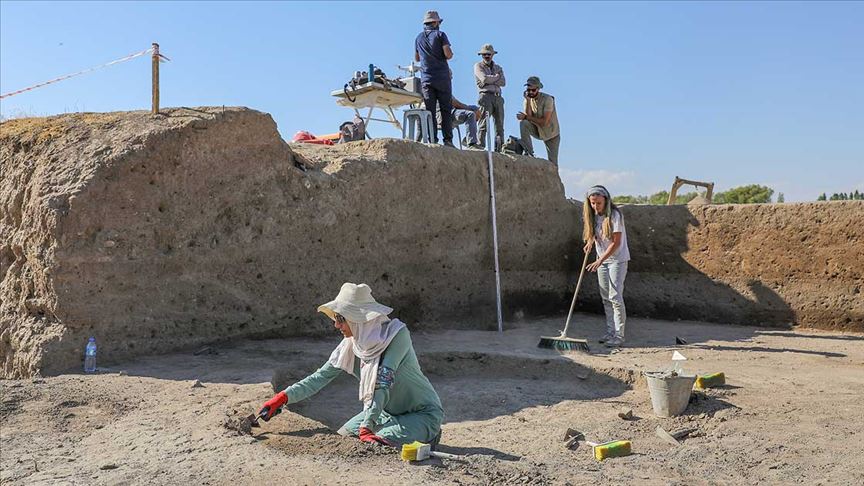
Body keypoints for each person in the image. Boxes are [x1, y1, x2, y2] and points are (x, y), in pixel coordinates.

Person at [258, 283, 444, 447]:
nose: (336, 325)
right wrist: (282, 398)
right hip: (385, 413)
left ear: (358, 318)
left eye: (340, 318)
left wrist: (367, 426)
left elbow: (382, 381)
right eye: (335, 318)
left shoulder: (397, 335)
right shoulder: (351, 345)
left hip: (422, 414)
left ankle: (429, 435)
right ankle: (401, 432)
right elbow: (320, 377)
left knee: (377, 443)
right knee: (344, 439)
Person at [582, 186, 631, 347]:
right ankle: (610, 332)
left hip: (617, 260)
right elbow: (596, 233)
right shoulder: (593, 216)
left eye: (599, 203)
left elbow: (616, 243)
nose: (596, 206)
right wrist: (590, 242)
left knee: (615, 297)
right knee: (605, 297)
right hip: (602, 260)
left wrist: (599, 260)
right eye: (593, 203)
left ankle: (619, 335)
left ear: (606, 200)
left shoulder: (615, 215)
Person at [414, 10, 455, 147]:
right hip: (442, 77)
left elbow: (417, 58)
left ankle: (433, 139)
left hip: (426, 78)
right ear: (436, 22)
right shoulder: (440, 35)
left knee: (430, 111)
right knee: (445, 110)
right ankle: (448, 140)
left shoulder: (418, 38)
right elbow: (448, 54)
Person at [517, 76, 560, 165]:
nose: (530, 92)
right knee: (523, 123)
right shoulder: (527, 100)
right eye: (528, 90)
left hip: (551, 134)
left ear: (538, 89)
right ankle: (529, 152)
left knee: (553, 163)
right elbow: (528, 118)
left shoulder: (548, 99)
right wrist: (528, 101)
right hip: (537, 129)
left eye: (533, 90)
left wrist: (526, 117)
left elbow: (544, 122)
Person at [473, 44, 506, 150]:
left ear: (492, 54)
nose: (487, 56)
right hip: (485, 96)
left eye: (488, 54)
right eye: (484, 54)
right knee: (484, 123)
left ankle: (499, 148)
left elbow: (503, 82)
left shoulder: (498, 67)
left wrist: (490, 80)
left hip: (498, 97)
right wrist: (496, 77)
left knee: (499, 125)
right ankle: (480, 145)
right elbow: (484, 79)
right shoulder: (478, 66)